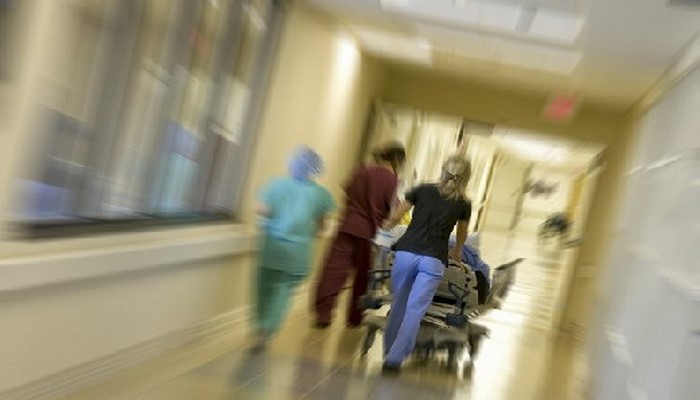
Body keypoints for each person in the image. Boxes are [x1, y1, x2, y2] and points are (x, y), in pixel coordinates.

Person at [381, 155, 472, 373]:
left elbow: (396, 216)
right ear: (466, 177)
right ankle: (395, 359)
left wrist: (386, 225)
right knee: (415, 310)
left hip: (406, 253)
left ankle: (388, 350)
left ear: (443, 169)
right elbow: (462, 235)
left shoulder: (421, 189)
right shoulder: (464, 204)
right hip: (433, 260)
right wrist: (457, 251)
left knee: (399, 304)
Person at [313, 141, 406, 328]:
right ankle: (355, 318)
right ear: (397, 159)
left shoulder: (361, 171)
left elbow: (347, 193)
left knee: (334, 271)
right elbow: (394, 211)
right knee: (363, 277)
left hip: (347, 227)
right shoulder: (393, 181)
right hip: (371, 235)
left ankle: (324, 313)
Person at [252, 146, 335, 351]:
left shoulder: (277, 185)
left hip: (272, 246)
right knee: (283, 290)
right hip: (298, 251)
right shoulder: (321, 194)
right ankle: (269, 329)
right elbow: (322, 225)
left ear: (291, 164)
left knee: (264, 288)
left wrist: (276, 216)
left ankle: (260, 324)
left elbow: (261, 209)